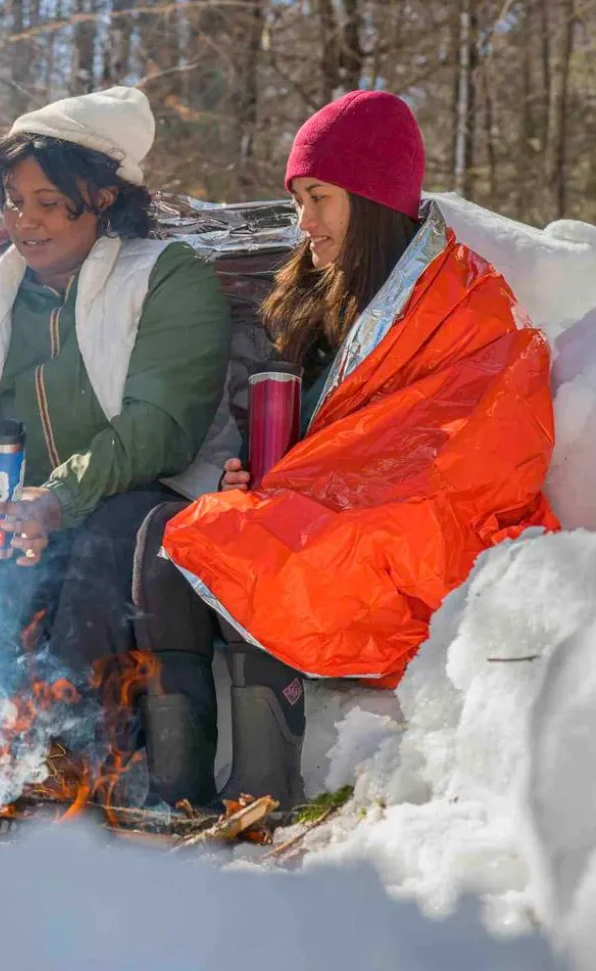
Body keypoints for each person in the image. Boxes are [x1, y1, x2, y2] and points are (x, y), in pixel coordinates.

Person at [133, 90, 559, 810]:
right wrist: (268, 473)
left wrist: (308, 488)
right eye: (299, 199)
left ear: (373, 194)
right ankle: (177, 791)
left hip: (424, 531)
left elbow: (480, 443)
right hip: (334, 508)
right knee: (165, 539)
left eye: (318, 197)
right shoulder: (322, 295)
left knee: (255, 544)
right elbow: (335, 435)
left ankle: (262, 786)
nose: (303, 222)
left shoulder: (467, 303)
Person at [0, 87, 236, 722]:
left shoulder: (166, 277)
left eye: (47, 204)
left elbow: (161, 427)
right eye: (12, 202)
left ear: (102, 198)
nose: (22, 221)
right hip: (24, 517)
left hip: (142, 500)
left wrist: (58, 497)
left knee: (110, 540)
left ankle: (76, 751)